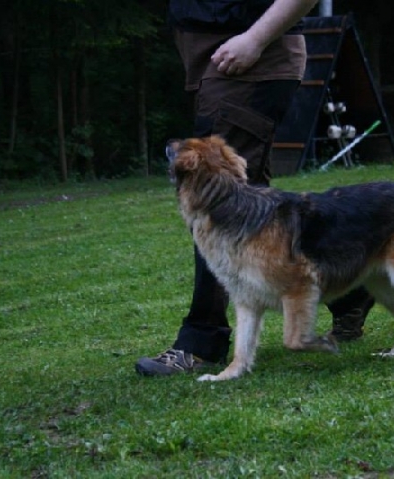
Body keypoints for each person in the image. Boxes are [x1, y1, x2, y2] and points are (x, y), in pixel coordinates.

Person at [135, 0, 375, 376]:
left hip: (249, 59)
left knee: (217, 207)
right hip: (211, 62)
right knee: (257, 209)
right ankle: (349, 289)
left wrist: (254, 39)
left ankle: (201, 341)